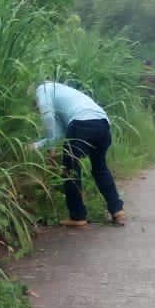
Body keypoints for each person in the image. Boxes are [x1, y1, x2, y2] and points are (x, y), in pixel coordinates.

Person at [33, 80, 125, 228]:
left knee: (70, 170)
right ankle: (117, 210)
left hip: (81, 124)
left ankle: (78, 216)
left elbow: (48, 116)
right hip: (102, 124)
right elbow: (60, 133)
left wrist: (50, 146)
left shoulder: (42, 88)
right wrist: (37, 145)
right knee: (100, 168)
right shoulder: (65, 94)